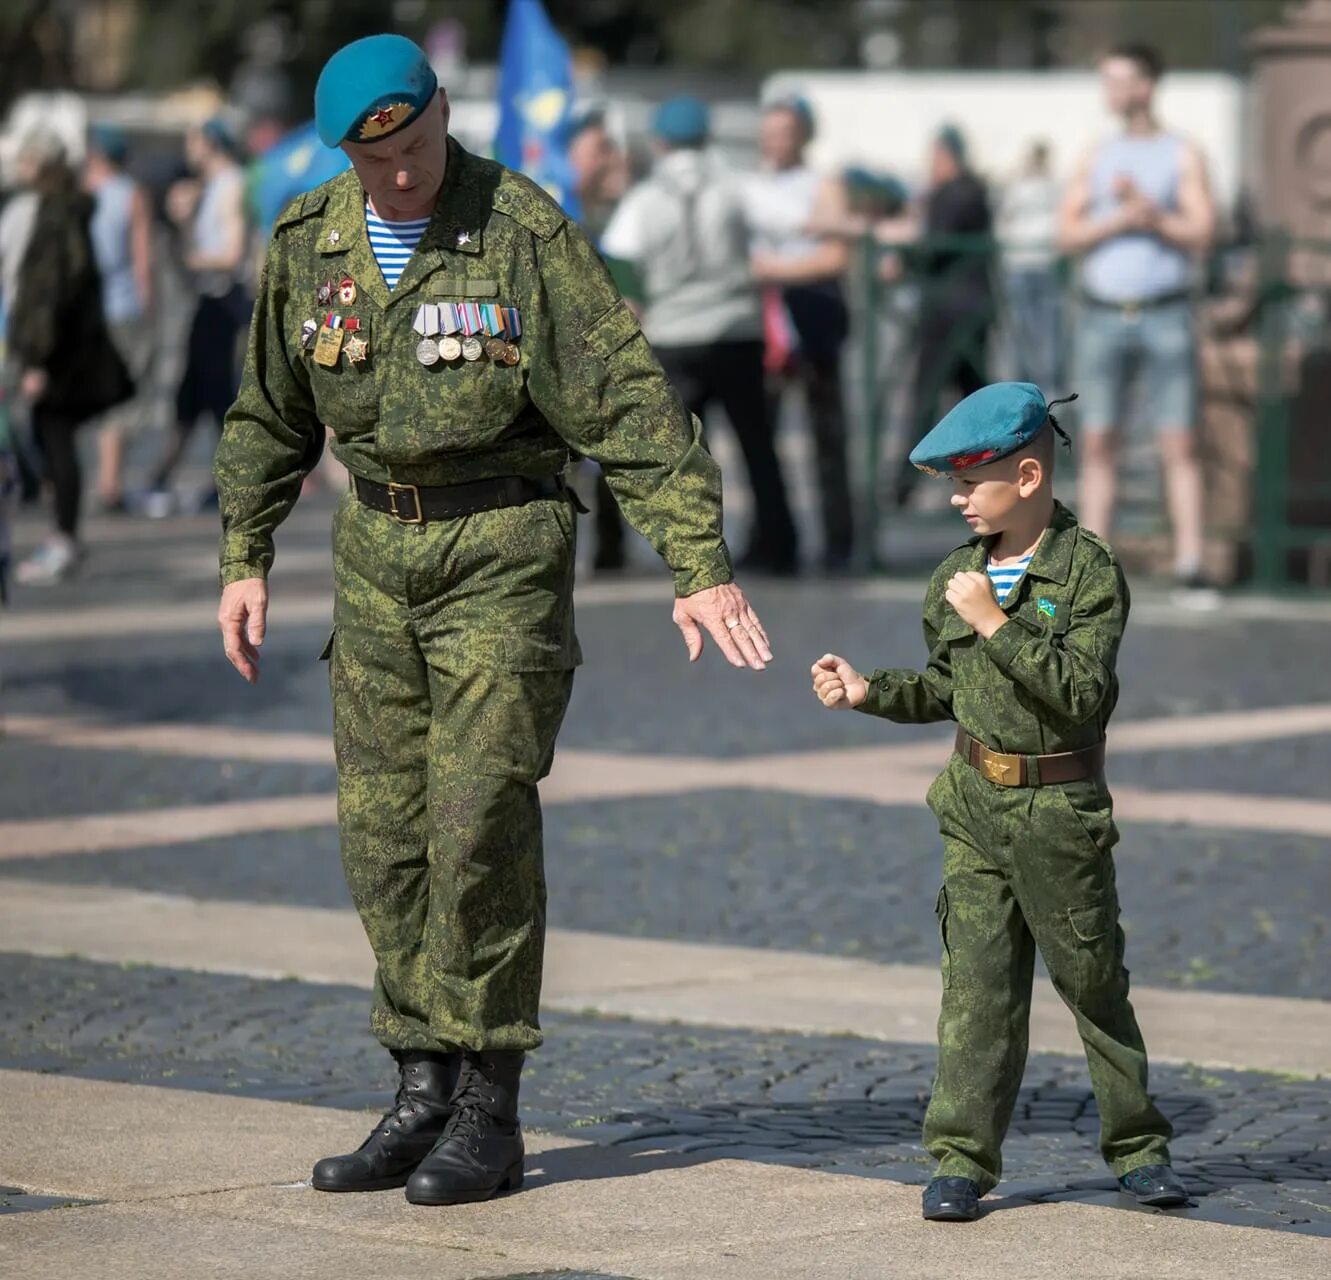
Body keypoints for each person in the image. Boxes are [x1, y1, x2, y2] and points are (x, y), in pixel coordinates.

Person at [213, 34, 771, 1208]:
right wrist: (244, 554)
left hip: (502, 548)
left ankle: (488, 1104)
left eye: (416, 147)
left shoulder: (518, 226)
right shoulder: (308, 237)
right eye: (380, 161)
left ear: (443, 115)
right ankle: (419, 1082)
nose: (403, 175)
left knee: (477, 821)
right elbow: (269, 407)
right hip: (372, 555)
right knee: (385, 832)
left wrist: (695, 562)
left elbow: (623, 393)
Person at [810, 382, 1187, 1222]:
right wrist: (869, 690)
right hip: (974, 803)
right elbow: (947, 689)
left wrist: (995, 624)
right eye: (948, 482)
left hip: (1058, 811)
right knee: (975, 990)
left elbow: (1081, 694)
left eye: (967, 482)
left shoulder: (1084, 569)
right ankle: (960, 1159)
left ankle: (1137, 1148)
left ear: (1025, 476)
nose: (954, 499)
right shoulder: (953, 576)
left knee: (1091, 983)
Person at [601, 97, 798, 576]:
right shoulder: (734, 186)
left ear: (660, 142)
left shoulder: (645, 197)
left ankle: (691, 553)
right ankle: (778, 544)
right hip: (736, 329)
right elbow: (783, 226)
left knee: (678, 451)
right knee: (756, 442)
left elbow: (618, 254)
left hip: (672, 334)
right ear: (707, 137)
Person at [1059, 43, 1217, 602]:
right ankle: (1093, 564)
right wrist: (1120, 217)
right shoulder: (1096, 155)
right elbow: (1068, 233)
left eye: (1121, 80)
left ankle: (1191, 561)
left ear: (1147, 85)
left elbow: (1202, 230)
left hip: (1165, 312)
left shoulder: (1181, 153)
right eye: (1107, 80)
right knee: (1099, 440)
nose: (1112, 91)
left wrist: (1152, 214)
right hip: (1103, 314)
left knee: (1179, 439)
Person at [7, 133, 133, 585]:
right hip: (70, 347)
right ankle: (62, 536)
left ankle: (63, 539)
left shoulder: (55, 215)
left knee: (54, 439)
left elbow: (48, 292)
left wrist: (37, 358)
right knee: (51, 439)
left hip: (57, 353)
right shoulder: (69, 209)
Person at [743, 95, 855, 573]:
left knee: (826, 439)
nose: (775, 143)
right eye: (769, 133)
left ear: (802, 136)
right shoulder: (747, 186)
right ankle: (770, 538)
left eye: (784, 133)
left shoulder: (822, 185)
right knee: (761, 439)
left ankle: (839, 542)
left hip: (811, 320)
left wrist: (778, 269)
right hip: (763, 325)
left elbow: (836, 256)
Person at [145, 116, 250, 514]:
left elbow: (232, 253)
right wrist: (183, 222)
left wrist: (191, 255)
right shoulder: (205, 188)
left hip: (225, 302)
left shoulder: (232, 185)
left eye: (193, 140)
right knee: (190, 394)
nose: (188, 148)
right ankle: (161, 475)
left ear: (210, 142)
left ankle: (225, 480)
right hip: (207, 300)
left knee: (219, 396)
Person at [898, 125, 996, 511]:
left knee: (929, 400)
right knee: (972, 401)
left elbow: (934, 247)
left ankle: (904, 484)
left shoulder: (954, 193)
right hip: (967, 308)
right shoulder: (970, 191)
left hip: (951, 313)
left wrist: (903, 254)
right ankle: (990, 475)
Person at [567, 106, 632, 572]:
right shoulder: (556, 216)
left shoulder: (605, 212)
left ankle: (609, 548)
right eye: (600, 149)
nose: (610, 159)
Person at [84, 124, 156, 513]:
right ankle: (110, 482)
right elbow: (142, 258)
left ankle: (98, 478)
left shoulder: (84, 192)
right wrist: (151, 309)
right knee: (122, 401)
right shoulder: (132, 194)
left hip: (92, 310)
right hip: (126, 308)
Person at [998, 140, 1062, 391]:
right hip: (1021, 265)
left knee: (1045, 333)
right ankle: (1020, 387)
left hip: (1042, 264)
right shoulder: (1018, 186)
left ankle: (1044, 390)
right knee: (1020, 332)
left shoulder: (1052, 187)